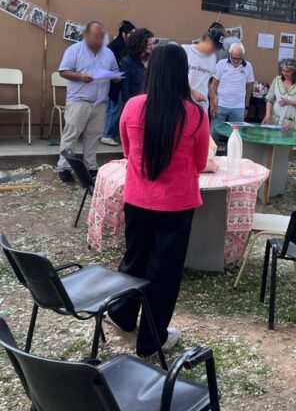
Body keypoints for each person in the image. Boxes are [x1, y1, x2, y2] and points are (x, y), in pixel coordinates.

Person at [107, 43, 210, 356]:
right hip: (177, 204)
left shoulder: (133, 107)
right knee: (164, 273)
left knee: (134, 259)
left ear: (151, 70)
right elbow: (200, 161)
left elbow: (127, 151)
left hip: (138, 199)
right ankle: (152, 339)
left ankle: (123, 315)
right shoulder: (195, 114)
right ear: (182, 73)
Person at [57, 21, 119, 183]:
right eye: (96, 36)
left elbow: (114, 71)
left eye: (101, 37)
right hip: (79, 100)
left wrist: (116, 77)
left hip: (100, 101)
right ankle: (64, 167)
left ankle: (90, 167)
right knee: (71, 135)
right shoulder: (75, 50)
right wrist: (80, 77)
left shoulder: (108, 53)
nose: (99, 40)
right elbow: (63, 71)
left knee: (93, 136)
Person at [101, 21, 136, 146]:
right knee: (114, 109)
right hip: (115, 83)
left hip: (115, 82)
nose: (133, 35)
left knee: (113, 109)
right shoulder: (120, 45)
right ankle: (107, 135)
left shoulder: (119, 44)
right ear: (124, 33)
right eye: (131, 33)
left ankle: (108, 133)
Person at [211, 42, 254, 138]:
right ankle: (211, 152)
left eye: (238, 58)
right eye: (233, 57)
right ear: (230, 54)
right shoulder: (221, 64)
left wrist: (246, 106)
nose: (235, 60)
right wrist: (213, 103)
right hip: (220, 104)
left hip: (238, 107)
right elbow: (214, 85)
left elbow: (249, 87)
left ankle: (231, 153)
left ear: (243, 56)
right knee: (214, 132)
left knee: (236, 135)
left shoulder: (248, 66)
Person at [182, 24, 225, 116]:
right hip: (183, 104)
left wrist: (213, 98)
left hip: (202, 106)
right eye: (214, 47)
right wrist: (192, 92)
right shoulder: (184, 50)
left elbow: (208, 81)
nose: (214, 51)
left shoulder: (213, 58)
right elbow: (176, 76)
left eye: (217, 49)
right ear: (207, 40)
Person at [116, 27, 155, 123]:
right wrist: (131, 109)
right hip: (135, 106)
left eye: (153, 43)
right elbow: (125, 89)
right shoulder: (127, 62)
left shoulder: (152, 59)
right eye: (149, 44)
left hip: (150, 105)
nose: (152, 46)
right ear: (140, 44)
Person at [263, 58, 296, 130]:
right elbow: (269, 99)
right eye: (283, 70)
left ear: (294, 72)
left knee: (288, 140)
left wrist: (289, 102)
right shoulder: (277, 80)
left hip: (291, 122)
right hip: (275, 120)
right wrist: (268, 114)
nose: (284, 73)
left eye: (288, 71)